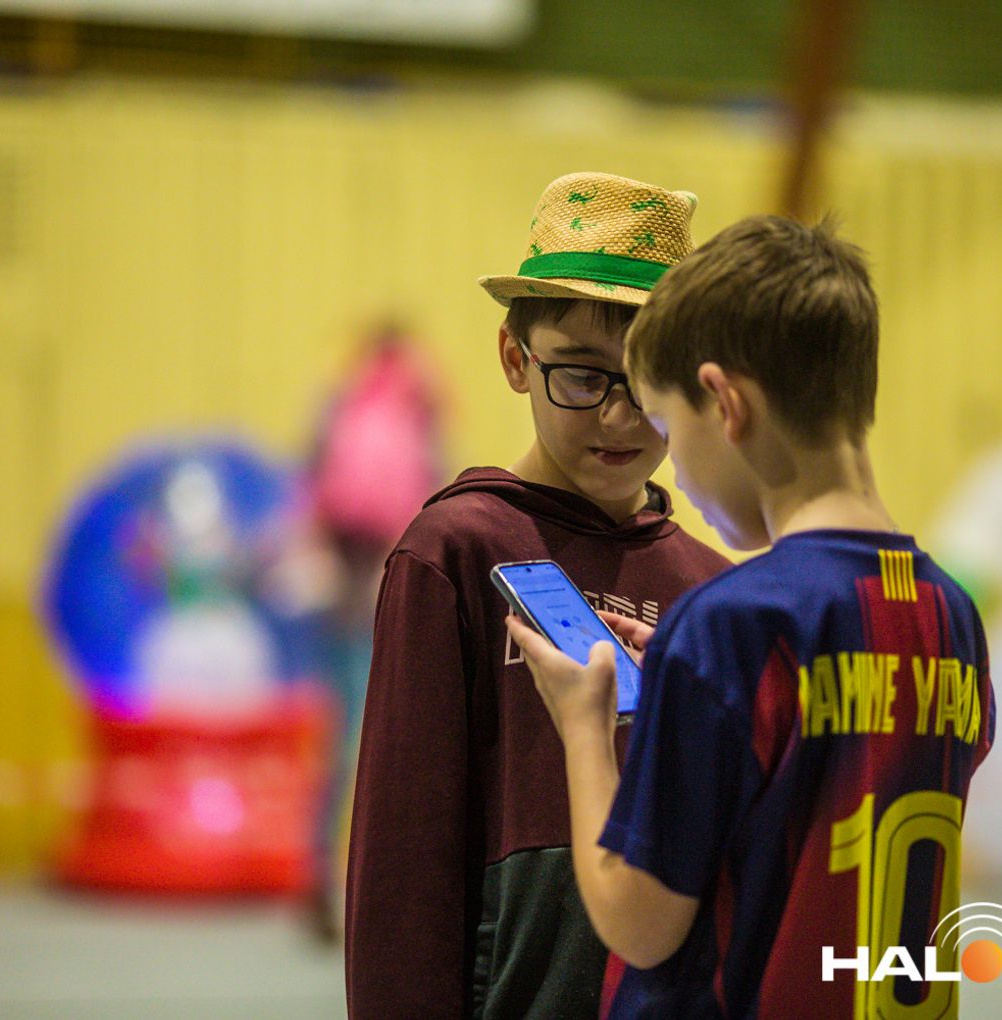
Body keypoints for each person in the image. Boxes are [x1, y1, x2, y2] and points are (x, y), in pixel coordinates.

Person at [509, 215, 996, 1016]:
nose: (676, 467)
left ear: (726, 404)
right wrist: (698, 688)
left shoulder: (730, 623)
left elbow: (639, 924)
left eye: (668, 425)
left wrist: (584, 727)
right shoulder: (949, 610)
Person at [344, 172, 731, 1019]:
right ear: (516, 360)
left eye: (651, 384)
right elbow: (402, 856)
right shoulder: (455, 550)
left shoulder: (714, 590)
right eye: (583, 378)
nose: (620, 419)